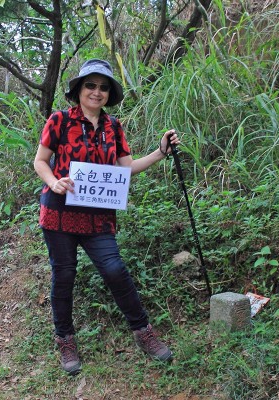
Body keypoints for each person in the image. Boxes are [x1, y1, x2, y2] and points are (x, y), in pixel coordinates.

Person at [33, 59, 178, 375]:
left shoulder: (114, 127)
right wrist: (53, 181)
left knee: (114, 269)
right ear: (79, 89)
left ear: (108, 93)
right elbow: (40, 161)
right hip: (59, 214)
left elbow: (125, 169)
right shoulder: (59, 121)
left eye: (103, 87)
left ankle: (143, 333)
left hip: (98, 215)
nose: (96, 92)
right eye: (90, 85)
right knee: (65, 275)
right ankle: (65, 341)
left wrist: (160, 152)